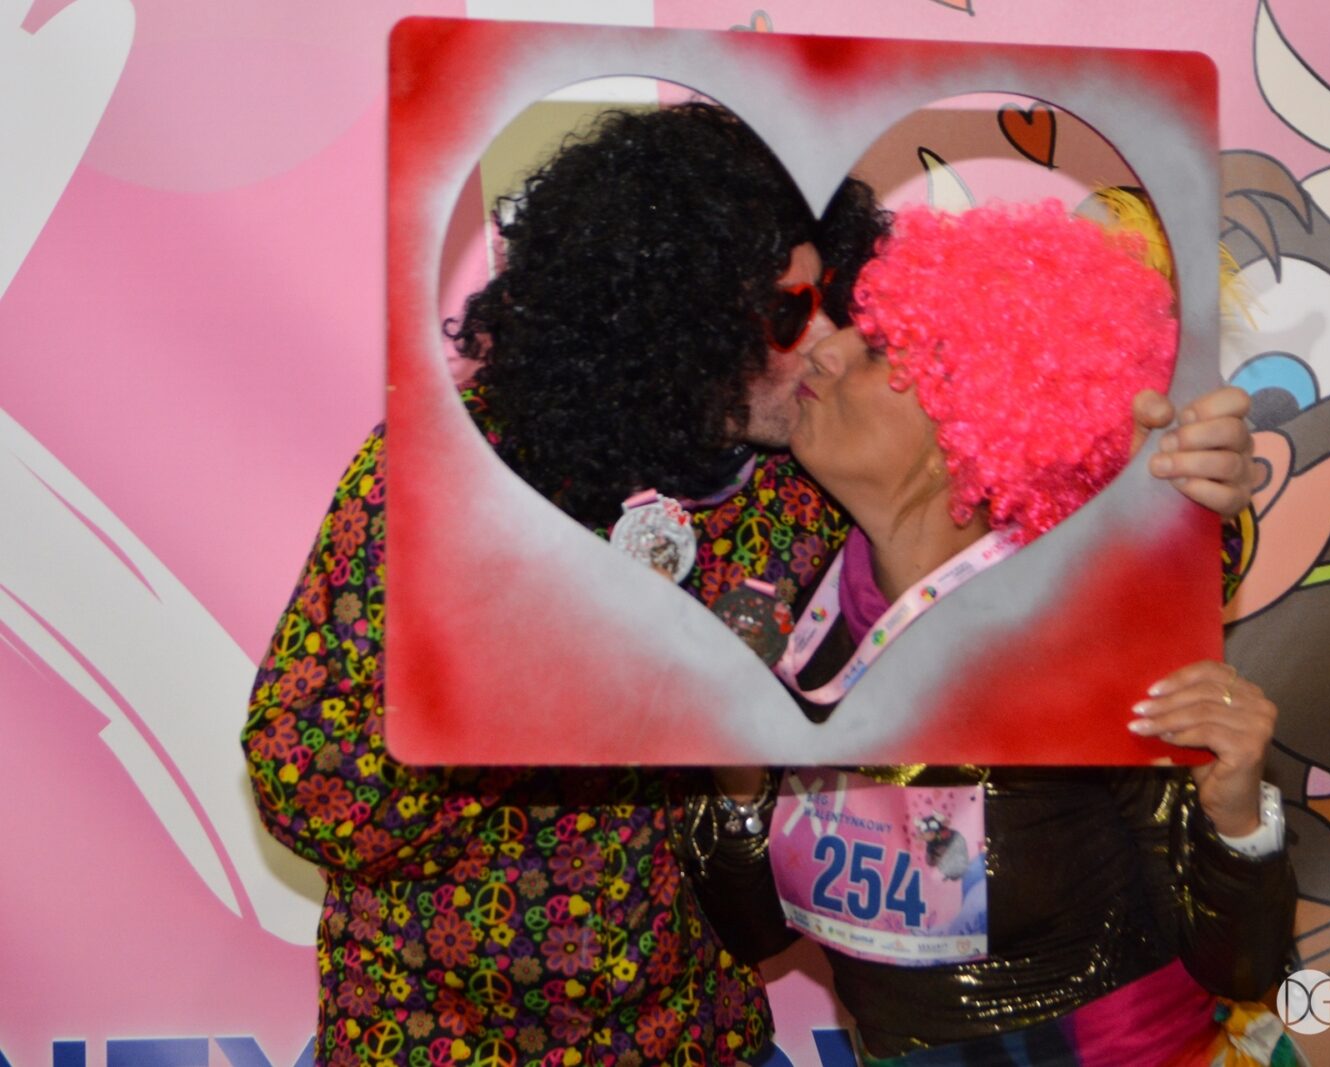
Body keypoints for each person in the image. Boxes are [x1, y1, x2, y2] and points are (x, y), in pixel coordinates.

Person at [242, 103, 881, 1067]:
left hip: (695, 1036)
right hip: (436, 1041)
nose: (828, 341)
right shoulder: (451, 475)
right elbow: (306, 785)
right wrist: (545, 678)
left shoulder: (810, 482)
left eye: (832, 300)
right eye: (790, 312)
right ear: (670, 324)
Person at [703, 199, 1300, 1066]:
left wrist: (1237, 817)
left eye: (876, 350)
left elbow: (1243, 963)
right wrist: (735, 787)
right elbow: (752, 932)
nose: (822, 350)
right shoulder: (796, 626)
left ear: (976, 426)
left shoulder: (1082, 636)